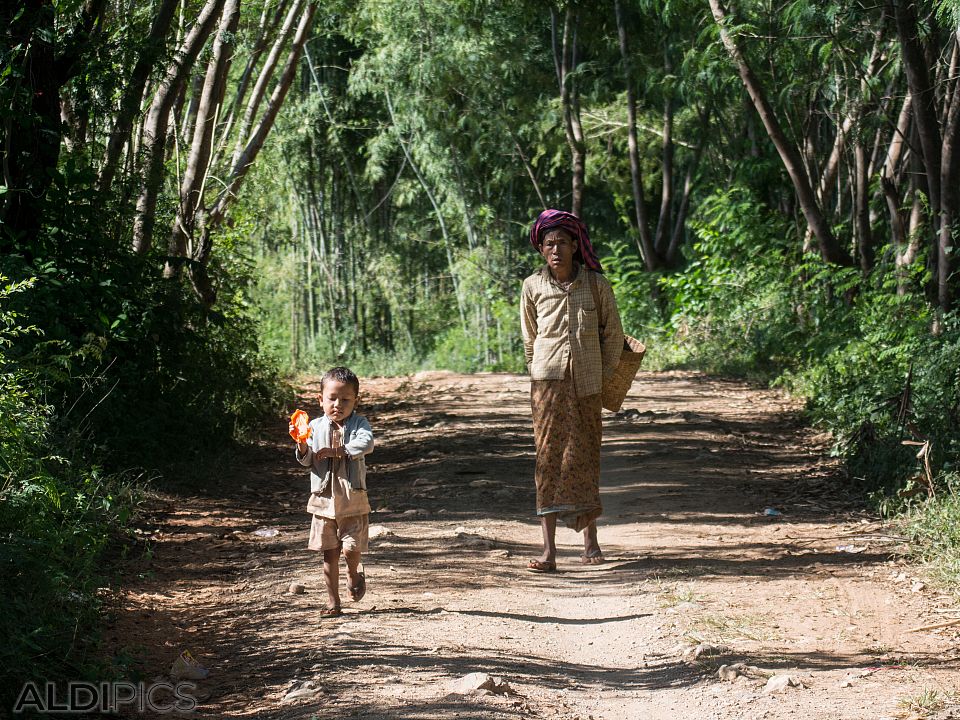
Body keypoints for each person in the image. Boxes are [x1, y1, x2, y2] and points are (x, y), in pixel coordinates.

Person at [520, 209, 624, 572]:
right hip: (546, 385)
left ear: (576, 246)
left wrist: (603, 374)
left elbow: (613, 335)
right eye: (549, 243)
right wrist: (538, 370)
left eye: (563, 242)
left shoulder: (596, 284)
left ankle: (591, 543)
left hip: (587, 385)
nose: (556, 249)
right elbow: (530, 339)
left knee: (584, 457)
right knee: (547, 460)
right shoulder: (532, 286)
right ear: (541, 249)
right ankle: (548, 552)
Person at [293, 366, 374, 616]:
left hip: (353, 502)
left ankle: (353, 573)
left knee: (350, 549)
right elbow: (306, 460)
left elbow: (367, 443)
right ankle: (333, 603)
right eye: (332, 398)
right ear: (320, 399)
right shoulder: (314, 427)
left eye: (346, 399)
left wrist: (339, 451)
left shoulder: (359, 423)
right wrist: (301, 445)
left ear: (355, 401)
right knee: (329, 556)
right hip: (323, 503)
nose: (338, 404)